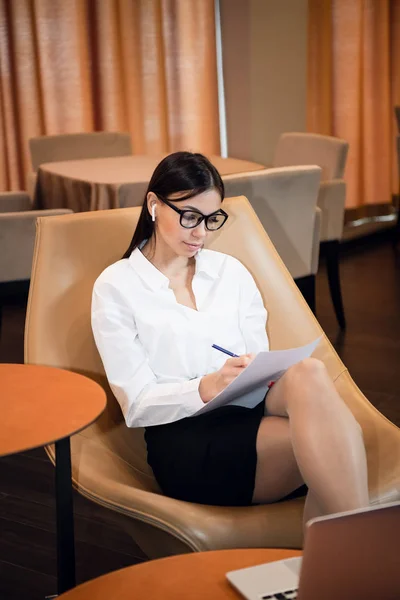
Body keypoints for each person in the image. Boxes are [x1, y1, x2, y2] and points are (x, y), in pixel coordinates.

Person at [91, 151, 369, 522]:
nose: (201, 233)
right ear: (154, 205)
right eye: (190, 216)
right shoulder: (116, 286)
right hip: (186, 439)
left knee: (309, 372)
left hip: (247, 409)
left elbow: (259, 360)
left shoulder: (230, 272)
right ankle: (357, 549)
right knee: (332, 439)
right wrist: (205, 386)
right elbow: (137, 405)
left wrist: (252, 371)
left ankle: (342, 553)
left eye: (212, 219)